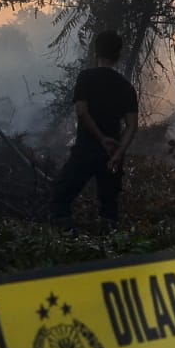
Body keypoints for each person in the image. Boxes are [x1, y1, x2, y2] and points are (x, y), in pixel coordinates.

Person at [50, 30, 139, 231]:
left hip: (86, 150)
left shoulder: (86, 78)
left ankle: (68, 241)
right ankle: (108, 247)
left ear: (96, 52)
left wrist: (101, 139)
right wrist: (117, 153)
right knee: (109, 207)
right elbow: (132, 126)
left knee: (60, 197)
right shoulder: (126, 87)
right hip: (111, 155)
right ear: (118, 54)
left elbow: (82, 112)